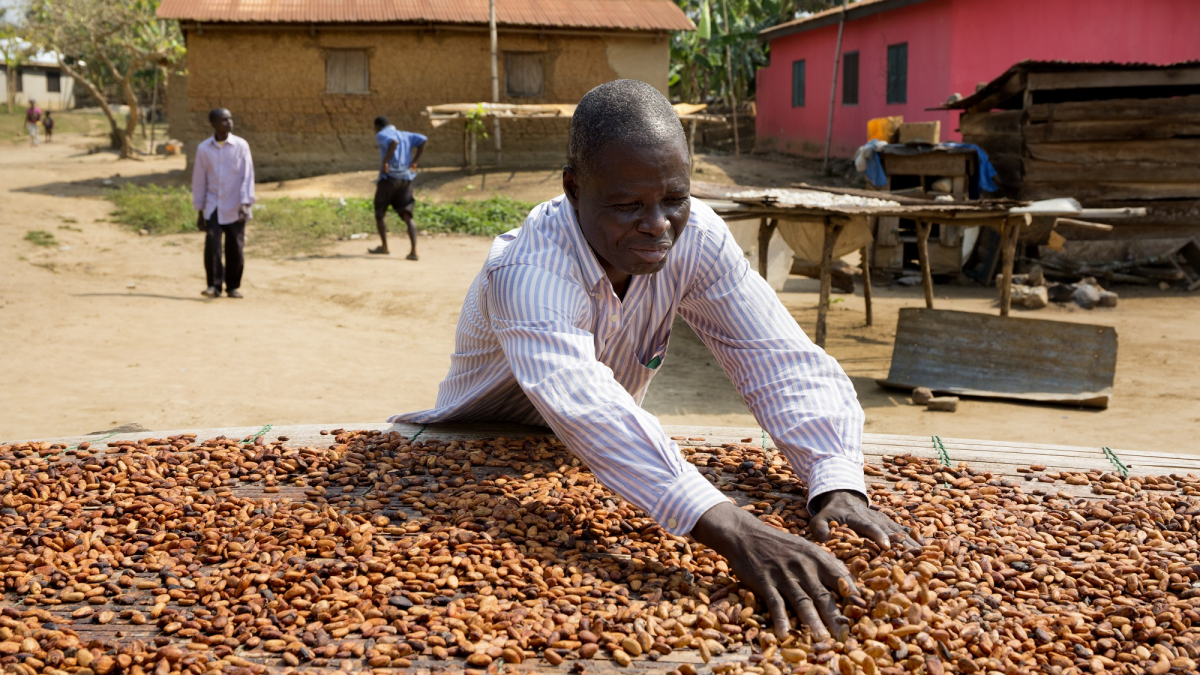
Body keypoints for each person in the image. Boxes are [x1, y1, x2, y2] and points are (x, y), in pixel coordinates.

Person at [389, 80, 916, 640]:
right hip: (471, 454)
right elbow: (582, 401)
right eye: (626, 206)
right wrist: (735, 529)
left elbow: (776, 358)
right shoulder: (529, 269)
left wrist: (834, 480)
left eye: (674, 199)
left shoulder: (697, 239)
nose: (658, 225)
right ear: (573, 188)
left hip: (609, 462)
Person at [191, 108, 255, 298]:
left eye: (230, 119)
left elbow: (247, 176)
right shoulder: (204, 149)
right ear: (213, 124)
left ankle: (233, 286)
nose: (229, 123)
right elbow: (199, 180)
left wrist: (245, 203)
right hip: (213, 206)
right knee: (212, 247)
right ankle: (214, 286)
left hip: (236, 205)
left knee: (235, 247)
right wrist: (199, 211)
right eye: (224, 120)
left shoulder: (241, 146)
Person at [371, 116, 425, 259]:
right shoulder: (405, 134)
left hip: (389, 179)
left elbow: (393, 143)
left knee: (380, 212)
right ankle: (413, 252)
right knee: (407, 215)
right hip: (405, 179)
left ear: (377, 126)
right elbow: (423, 139)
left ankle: (384, 247)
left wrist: (385, 162)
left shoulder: (382, 135)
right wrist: (415, 161)